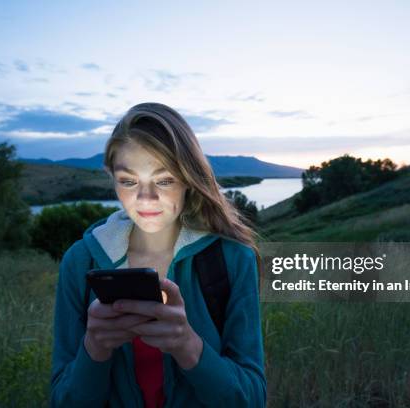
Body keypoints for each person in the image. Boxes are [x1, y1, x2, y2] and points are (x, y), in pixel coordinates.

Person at [50, 102, 266, 407]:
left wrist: (188, 346)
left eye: (164, 180)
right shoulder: (80, 261)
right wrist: (94, 349)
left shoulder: (232, 260)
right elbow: (62, 401)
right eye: (128, 181)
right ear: (110, 176)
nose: (146, 198)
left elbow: (252, 399)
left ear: (189, 180)